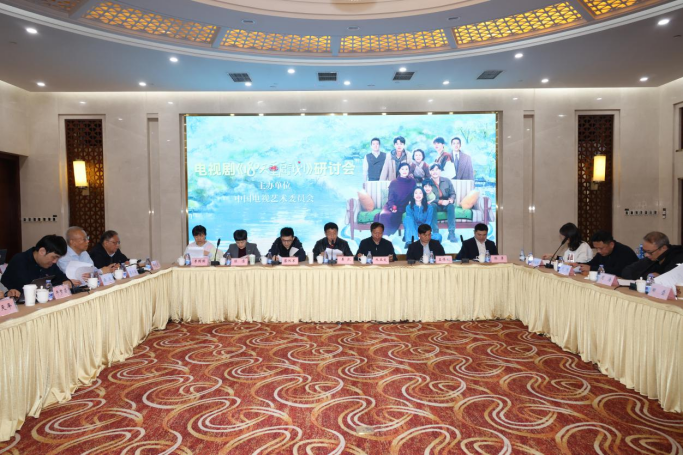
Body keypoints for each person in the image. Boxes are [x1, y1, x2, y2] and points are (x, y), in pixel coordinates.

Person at [1, 235, 74, 299]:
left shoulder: (49, 263)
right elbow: (28, 288)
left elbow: (61, 278)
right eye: (54, 257)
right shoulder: (20, 260)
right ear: (42, 251)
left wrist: (68, 282)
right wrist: (56, 285)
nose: (55, 261)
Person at [374, 163, 417, 236]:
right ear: (399, 170)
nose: (404, 171)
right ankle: (384, 237)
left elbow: (414, 195)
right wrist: (392, 206)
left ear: (409, 171)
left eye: (406, 169)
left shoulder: (412, 182)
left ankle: (385, 236)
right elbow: (390, 198)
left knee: (390, 216)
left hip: (404, 206)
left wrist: (411, 203)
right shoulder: (394, 182)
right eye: (402, 169)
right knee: (384, 215)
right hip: (391, 205)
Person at [429, 165, 458, 243]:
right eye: (432, 170)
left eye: (437, 169)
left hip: (447, 203)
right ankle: (435, 233)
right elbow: (427, 197)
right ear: (430, 172)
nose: (435, 172)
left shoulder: (447, 181)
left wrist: (451, 199)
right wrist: (440, 202)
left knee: (451, 206)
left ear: (440, 171)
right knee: (432, 207)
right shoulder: (428, 182)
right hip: (435, 203)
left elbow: (452, 193)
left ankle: (451, 233)